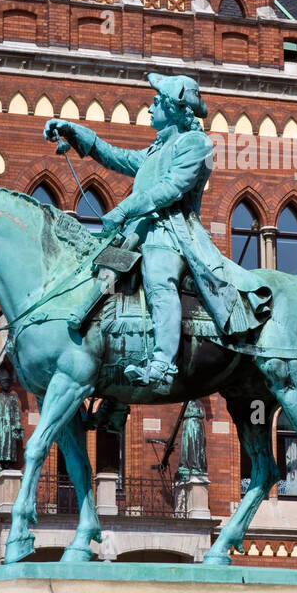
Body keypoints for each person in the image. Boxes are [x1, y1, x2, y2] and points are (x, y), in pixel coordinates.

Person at [45, 72, 270, 394]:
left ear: (174, 108)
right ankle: (113, 388)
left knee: (158, 279)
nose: (149, 108)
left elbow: (172, 189)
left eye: (155, 102)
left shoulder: (195, 143)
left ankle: (163, 365)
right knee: (99, 283)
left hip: (172, 232)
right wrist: (73, 131)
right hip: (137, 234)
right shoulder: (155, 151)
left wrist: (123, 209)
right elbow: (116, 156)